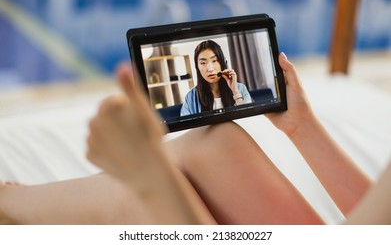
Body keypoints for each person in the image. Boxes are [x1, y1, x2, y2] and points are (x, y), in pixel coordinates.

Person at [0, 53, 386, 225]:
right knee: (216, 141)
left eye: (211, 60)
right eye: (202, 62)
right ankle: (17, 205)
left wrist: (151, 178)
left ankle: (14, 207)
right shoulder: (191, 97)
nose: (209, 67)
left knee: (142, 204)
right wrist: (303, 128)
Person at [180, 40, 252, 116]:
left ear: (222, 62)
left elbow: (249, 120)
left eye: (214, 61)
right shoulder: (191, 97)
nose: (210, 69)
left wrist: (235, 92)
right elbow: (188, 127)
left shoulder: (240, 89)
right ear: (197, 67)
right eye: (203, 63)